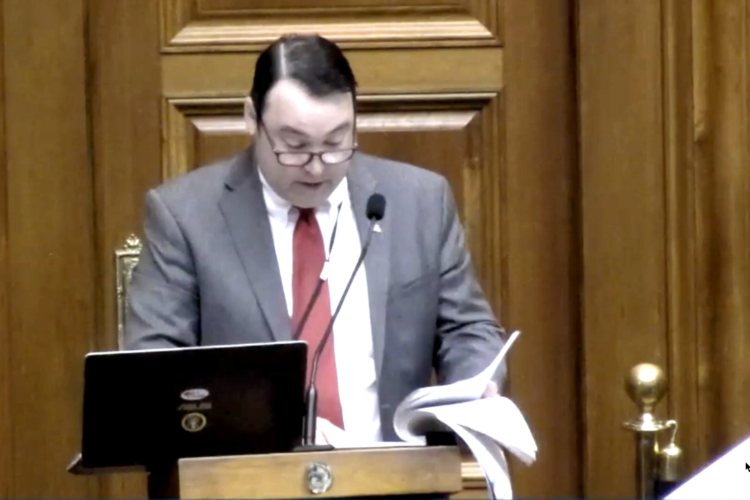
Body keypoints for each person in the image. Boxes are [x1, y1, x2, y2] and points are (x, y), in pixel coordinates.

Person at [124, 34, 507, 445]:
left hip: (396, 479)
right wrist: (269, 427)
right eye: (295, 146)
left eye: (335, 143)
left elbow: (466, 328)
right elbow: (155, 370)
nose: (317, 167)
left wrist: (475, 384)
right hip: (250, 483)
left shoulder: (419, 202)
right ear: (252, 119)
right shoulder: (185, 216)